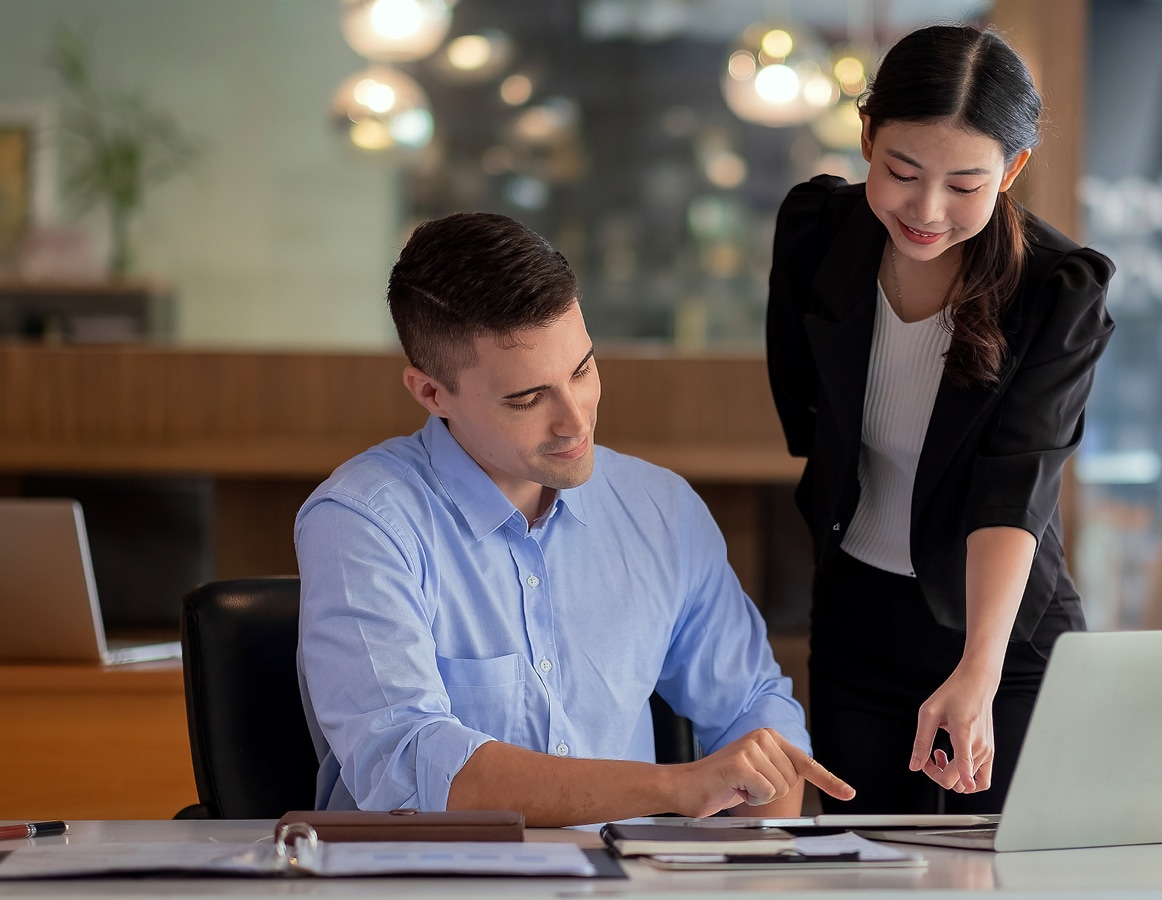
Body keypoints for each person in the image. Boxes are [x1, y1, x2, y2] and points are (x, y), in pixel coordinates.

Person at [298, 212, 853, 826]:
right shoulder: (362, 521)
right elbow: (406, 765)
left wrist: (755, 868)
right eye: (527, 399)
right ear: (432, 393)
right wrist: (674, 789)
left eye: (582, 370)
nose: (575, 420)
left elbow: (755, 708)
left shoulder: (660, 508)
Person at [766, 24, 1115, 813]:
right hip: (857, 622)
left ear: (1012, 168)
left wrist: (978, 670)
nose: (927, 210)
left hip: (1006, 638)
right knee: (867, 863)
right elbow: (805, 411)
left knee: (1007, 871)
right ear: (866, 136)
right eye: (902, 171)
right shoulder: (817, 234)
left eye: (965, 185)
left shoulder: (1056, 292)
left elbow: (1012, 489)